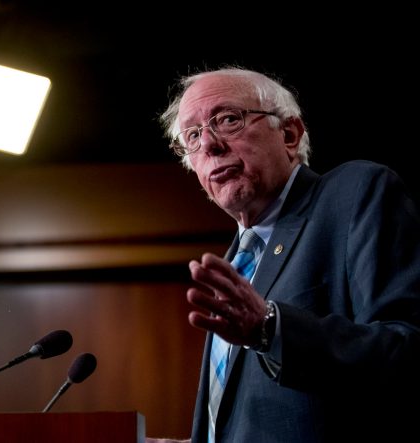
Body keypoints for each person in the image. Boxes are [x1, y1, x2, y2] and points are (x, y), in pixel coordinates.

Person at [146, 67, 420, 442]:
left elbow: (405, 349)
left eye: (227, 120)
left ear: (290, 133)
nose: (209, 145)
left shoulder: (353, 195)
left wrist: (270, 328)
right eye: (192, 136)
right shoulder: (234, 265)